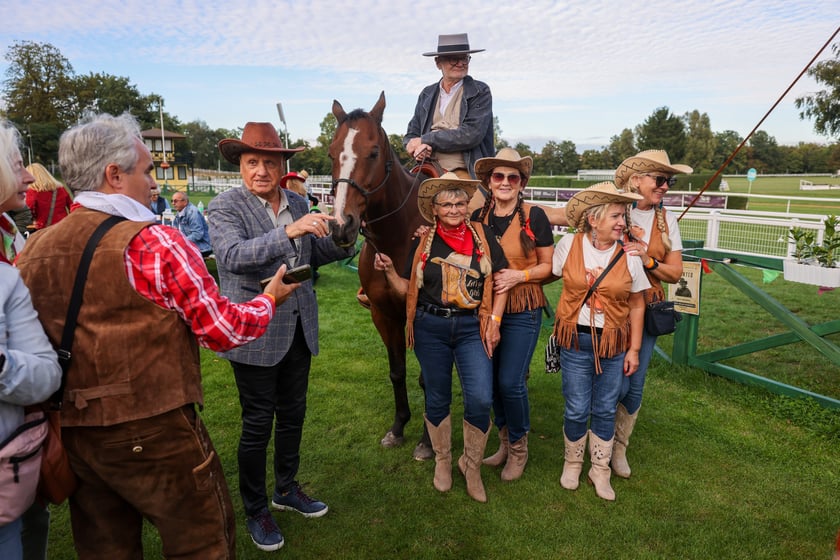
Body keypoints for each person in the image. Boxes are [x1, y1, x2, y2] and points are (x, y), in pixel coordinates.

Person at [15, 112, 299, 559]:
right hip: (156, 428)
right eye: (147, 171)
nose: (154, 184)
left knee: (105, 547)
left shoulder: (33, 249)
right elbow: (223, 330)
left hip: (74, 431)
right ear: (114, 175)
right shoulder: (157, 242)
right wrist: (269, 300)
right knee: (200, 542)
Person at [208, 122, 354, 551]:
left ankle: (286, 489)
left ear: (281, 166)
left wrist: (346, 237)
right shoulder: (224, 206)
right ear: (240, 165)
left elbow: (315, 253)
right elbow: (232, 257)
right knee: (257, 425)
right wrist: (289, 231)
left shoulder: (298, 201)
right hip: (254, 332)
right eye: (252, 162)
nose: (260, 171)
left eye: (269, 163)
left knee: (293, 416)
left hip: (298, 328)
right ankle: (256, 509)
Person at [373, 172, 509, 503]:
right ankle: (444, 460)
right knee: (437, 398)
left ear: (467, 205)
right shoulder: (423, 242)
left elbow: (501, 280)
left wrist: (494, 320)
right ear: (434, 209)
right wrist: (389, 271)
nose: (453, 209)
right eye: (446, 204)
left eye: (459, 203)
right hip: (430, 327)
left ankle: (471, 466)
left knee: (480, 398)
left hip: (472, 327)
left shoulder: (483, 236)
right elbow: (409, 290)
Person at [551, 182, 649, 501]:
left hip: (613, 344)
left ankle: (600, 469)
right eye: (615, 216)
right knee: (576, 408)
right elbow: (553, 272)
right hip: (576, 340)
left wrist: (634, 349)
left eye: (623, 216)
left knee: (606, 407)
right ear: (594, 219)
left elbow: (637, 304)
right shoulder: (569, 244)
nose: (622, 222)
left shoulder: (629, 255)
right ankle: (572, 463)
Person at [471, 148, 555, 481]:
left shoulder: (535, 216)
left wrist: (520, 275)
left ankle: (519, 447)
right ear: (489, 182)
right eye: (499, 176)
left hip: (523, 307)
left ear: (521, 183)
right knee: (490, 382)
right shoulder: (477, 217)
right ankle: (504, 442)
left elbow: (550, 266)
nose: (505, 182)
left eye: (513, 177)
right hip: (485, 307)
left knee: (510, 381)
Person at [0, 120, 62, 560]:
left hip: (14, 446)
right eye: (17, 165)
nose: (27, 176)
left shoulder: (9, 233)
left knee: (29, 522)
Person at [612, 150, 691, 479]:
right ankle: (598, 437)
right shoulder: (614, 210)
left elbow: (675, 273)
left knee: (635, 383)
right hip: (612, 307)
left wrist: (648, 260)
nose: (665, 187)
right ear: (636, 180)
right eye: (659, 179)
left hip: (647, 309)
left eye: (668, 181)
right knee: (612, 382)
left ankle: (619, 447)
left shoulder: (667, 220)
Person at [404, 33, 493, 184]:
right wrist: (414, 148)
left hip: (465, 171)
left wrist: (426, 140)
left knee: (469, 200)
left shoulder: (480, 91)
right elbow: (411, 136)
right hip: (426, 169)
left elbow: (471, 134)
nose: (461, 63)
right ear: (438, 63)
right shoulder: (426, 94)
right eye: (454, 59)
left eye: (464, 58)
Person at [25, 163, 72, 230]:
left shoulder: (32, 192)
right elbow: (71, 207)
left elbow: (29, 212)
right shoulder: (61, 188)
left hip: (44, 229)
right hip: (63, 226)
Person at [171, 191, 212, 257]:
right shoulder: (180, 212)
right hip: (190, 244)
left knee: (173, 254)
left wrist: (180, 241)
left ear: (185, 202)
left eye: (175, 201)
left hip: (202, 247)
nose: (173, 203)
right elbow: (175, 230)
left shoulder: (192, 212)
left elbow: (198, 234)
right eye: (172, 201)